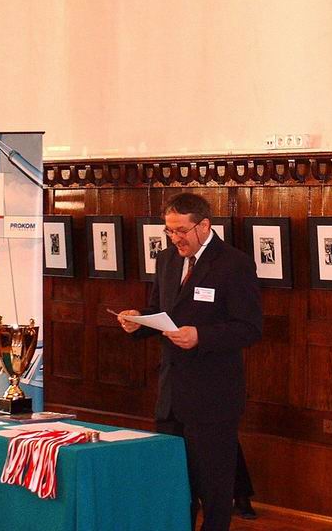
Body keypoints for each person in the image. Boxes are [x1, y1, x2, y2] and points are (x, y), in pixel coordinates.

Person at [118, 193, 262, 531]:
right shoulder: (166, 259)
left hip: (213, 397)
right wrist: (138, 321)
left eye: (181, 231)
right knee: (174, 485)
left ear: (204, 225)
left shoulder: (234, 264)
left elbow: (250, 328)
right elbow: (160, 311)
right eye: (169, 231)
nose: (175, 238)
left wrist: (201, 336)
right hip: (171, 395)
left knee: (213, 488)